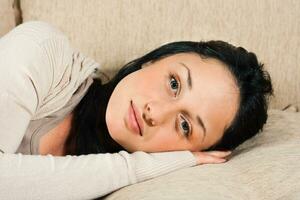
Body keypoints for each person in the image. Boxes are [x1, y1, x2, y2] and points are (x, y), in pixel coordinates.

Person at [0, 21, 273, 199]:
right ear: (154, 59)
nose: (154, 112)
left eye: (185, 126)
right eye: (174, 83)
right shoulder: (42, 51)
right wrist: (134, 167)